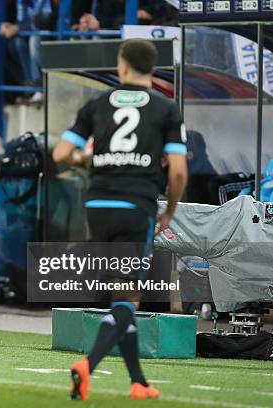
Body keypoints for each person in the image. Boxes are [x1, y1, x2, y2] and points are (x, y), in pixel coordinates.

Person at [52, 39, 188, 401]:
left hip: (97, 207)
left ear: (122, 66)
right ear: (152, 68)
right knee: (129, 299)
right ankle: (89, 365)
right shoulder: (165, 109)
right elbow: (177, 171)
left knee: (120, 295)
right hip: (135, 206)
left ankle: (138, 382)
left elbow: (61, 153)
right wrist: (170, 209)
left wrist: (89, 160)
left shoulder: (97, 103)